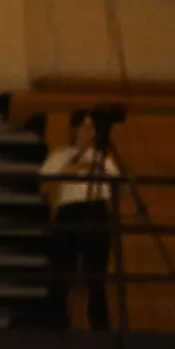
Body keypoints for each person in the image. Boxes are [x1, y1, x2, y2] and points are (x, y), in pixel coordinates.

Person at [40, 110, 118, 331]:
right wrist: (76, 166)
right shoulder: (59, 155)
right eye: (83, 126)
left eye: (91, 127)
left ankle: (100, 327)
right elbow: (45, 184)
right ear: (74, 128)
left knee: (96, 275)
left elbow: (116, 186)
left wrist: (93, 165)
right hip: (70, 213)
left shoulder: (103, 157)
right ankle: (58, 325)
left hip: (96, 213)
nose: (87, 131)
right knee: (62, 272)